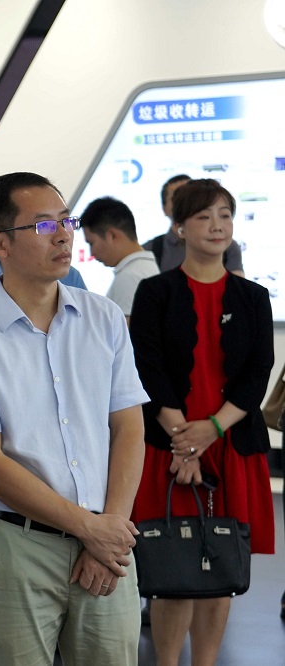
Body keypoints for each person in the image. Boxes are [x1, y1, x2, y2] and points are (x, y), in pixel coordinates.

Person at [0, 172, 148, 665]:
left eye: (67, 221)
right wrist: (89, 529)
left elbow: (128, 427)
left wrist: (108, 528)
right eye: (44, 225)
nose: (64, 235)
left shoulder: (104, 319)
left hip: (108, 535)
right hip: (18, 545)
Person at [129, 178, 274, 666]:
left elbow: (257, 375)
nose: (217, 226)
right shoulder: (155, 292)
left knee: (220, 569)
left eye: (225, 215)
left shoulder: (253, 296)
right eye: (203, 216)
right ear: (179, 228)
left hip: (230, 445)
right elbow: (147, 368)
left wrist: (209, 431)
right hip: (167, 447)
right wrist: (184, 441)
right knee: (173, 570)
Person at [142, 174, 245, 276]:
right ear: (164, 208)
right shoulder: (149, 250)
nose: (216, 227)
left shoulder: (229, 247)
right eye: (177, 197)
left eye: (225, 216)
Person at [80, 196, 159, 320]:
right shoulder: (147, 268)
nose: (92, 253)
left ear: (112, 235)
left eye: (91, 243)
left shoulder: (130, 277)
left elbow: (127, 332)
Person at [0, 256, 86, 319]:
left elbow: (85, 325)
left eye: (65, 221)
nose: (62, 236)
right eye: (42, 226)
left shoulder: (70, 275)